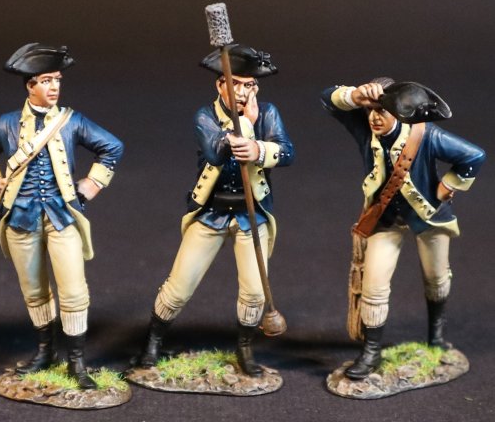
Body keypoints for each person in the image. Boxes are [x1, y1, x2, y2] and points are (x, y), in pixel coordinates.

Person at [0, 43, 124, 389]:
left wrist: (92, 184)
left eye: (57, 80)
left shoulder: (72, 122)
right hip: (20, 218)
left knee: (74, 291)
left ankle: (77, 361)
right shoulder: (7, 124)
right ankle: (45, 351)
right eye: (46, 81)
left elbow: (112, 146)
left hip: (61, 216)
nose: (54, 87)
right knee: (34, 291)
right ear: (30, 85)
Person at [134, 44, 294, 377]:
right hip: (210, 213)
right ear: (220, 84)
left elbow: (287, 152)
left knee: (254, 291)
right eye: (236, 84)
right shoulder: (205, 116)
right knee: (179, 285)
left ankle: (245, 348)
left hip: (252, 215)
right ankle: (153, 341)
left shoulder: (268, 113)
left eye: (250, 85)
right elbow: (217, 151)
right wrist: (247, 127)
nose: (243, 92)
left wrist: (260, 149)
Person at [322, 79, 485, 379]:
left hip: (429, 217)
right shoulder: (365, 130)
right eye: (371, 110)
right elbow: (327, 99)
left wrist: (449, 185)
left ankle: (436, 337)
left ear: (400, 112)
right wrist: (356, 95)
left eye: (383, 111)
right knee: (373, 286)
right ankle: (371, 352)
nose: (375, 117)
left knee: (436, 278)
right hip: (384, 219)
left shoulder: (427, 135)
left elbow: (473, 156)